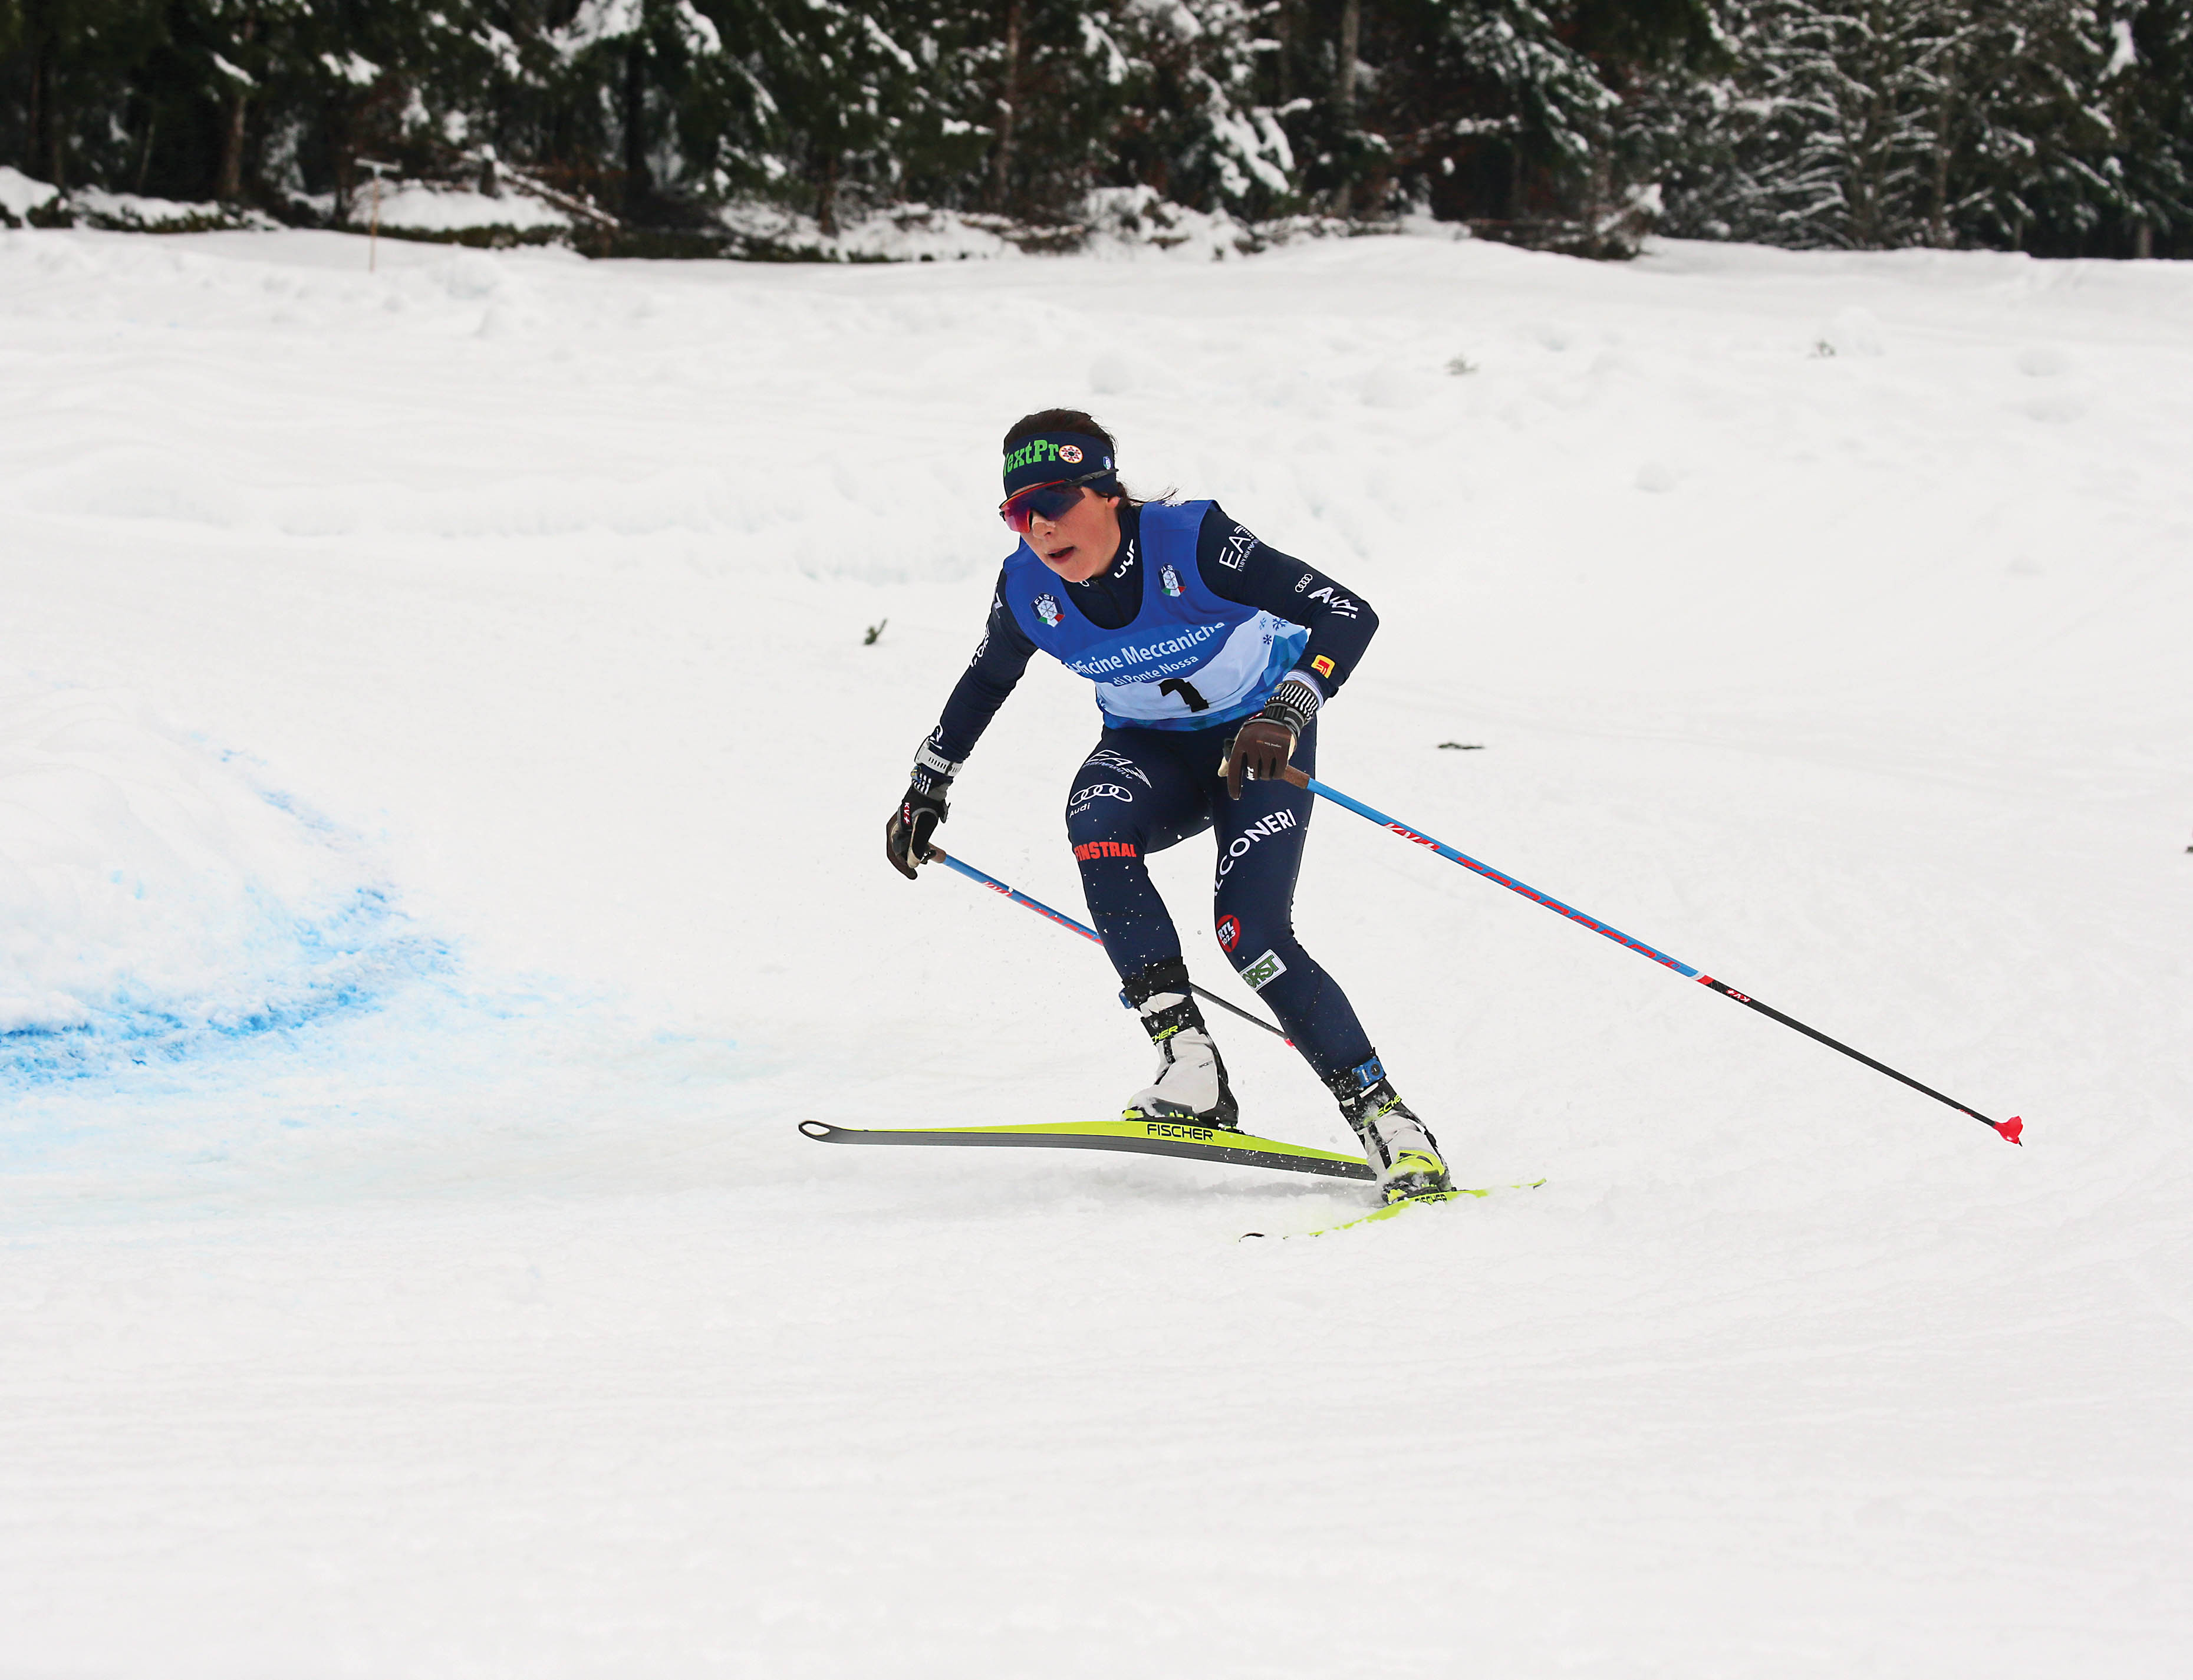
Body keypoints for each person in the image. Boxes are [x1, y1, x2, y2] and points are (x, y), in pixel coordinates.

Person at [884, 410, 1450, 1203]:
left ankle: (1391, 1124)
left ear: (1109, 492)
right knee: (1095, 818)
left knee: (1248, 933)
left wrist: (1288, 708)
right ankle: (1190, 1065)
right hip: (1152, 754)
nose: (1041, 526)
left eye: (1056, 498)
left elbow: (1348, 613)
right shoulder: (1026, 588)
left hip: (1257, 744)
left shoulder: (1196, 541)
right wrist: (927, 782)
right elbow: (985, 681)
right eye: (1020, 511)